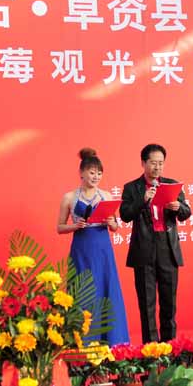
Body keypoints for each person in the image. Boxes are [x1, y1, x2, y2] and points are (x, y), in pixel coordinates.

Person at [57, 147, 130, 345]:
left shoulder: (106, 196)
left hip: (103, 249)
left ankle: (112, 341)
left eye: (99, 173)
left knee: (106, 288)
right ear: (81, 173)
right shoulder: (69, 197)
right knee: (82, 292)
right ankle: (82, 341)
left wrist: (111, 222)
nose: (96, 176)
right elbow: (59, 227)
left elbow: (115, 227)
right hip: (81, 248)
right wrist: (75, 226)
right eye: (92, 172)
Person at [119, 144, 191, 343]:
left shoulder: (172, 185)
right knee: (147, 303)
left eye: (161, 163)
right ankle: (151, 349)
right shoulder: (132, 188)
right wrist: (143, 200)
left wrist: (178, 207)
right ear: (143, 163)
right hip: (144, 250)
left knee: (169, 302)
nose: (157, 167)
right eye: (153, 163)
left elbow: (186, 213)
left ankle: (170, 346)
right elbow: (125, 215)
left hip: (167, 248)